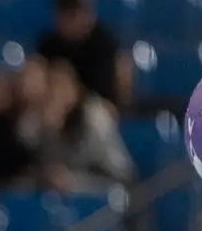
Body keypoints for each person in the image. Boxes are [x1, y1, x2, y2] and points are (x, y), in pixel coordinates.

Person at [36, 60, 135, 193]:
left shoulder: (94, 116)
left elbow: (121, 175)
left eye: (61, 88)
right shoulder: (45, 122)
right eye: (50, 90)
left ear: (75, 91)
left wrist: (74, 182)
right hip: (65, 198)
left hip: (111, 191)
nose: (55, 96)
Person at [36, 0, 129, 109]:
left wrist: (69, 83)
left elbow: (103, 90)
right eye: (63, 12)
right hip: (55, 105)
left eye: (72, 13)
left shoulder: (102, 42)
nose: (67, 19)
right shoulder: (48, 44)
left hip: (94, 104)